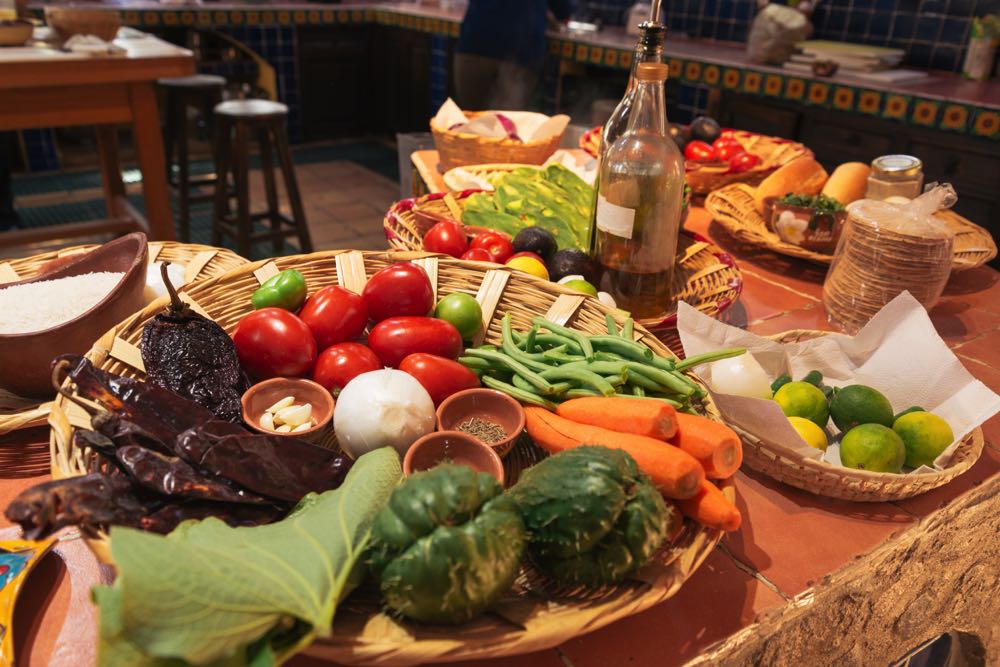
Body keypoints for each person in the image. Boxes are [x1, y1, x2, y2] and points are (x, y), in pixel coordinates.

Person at [454, 0, 574, 110]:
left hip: (475, 42)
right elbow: (563, 13)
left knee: (471, 122)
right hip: (520, 53)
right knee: (508, 125)